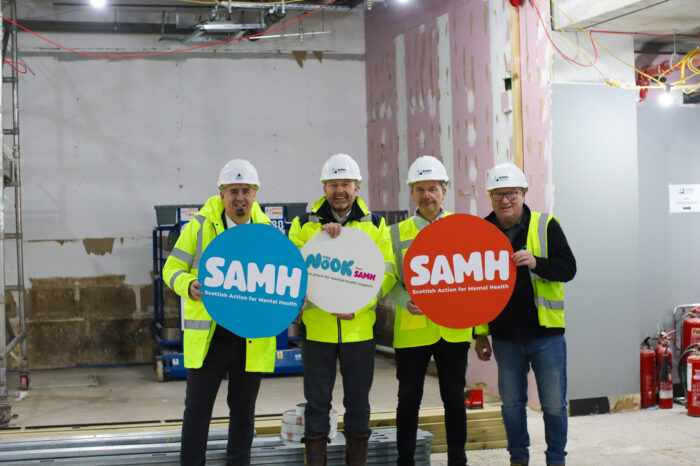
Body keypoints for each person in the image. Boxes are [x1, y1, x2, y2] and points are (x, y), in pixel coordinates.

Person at [163, 159, 277, 466]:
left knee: (243, 414)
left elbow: (282, 281)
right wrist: (188, 284)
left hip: (249, 338)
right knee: (197, 412)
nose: (240, 197)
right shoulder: (199, 226)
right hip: (210, 337)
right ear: (222, 194)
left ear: (255, 194)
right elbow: (171, 268)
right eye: (233, 191)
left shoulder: (268, 232)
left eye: (246, 191)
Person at [288, 153, 395, 466]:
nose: (340, 190)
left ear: (357, 187)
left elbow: (387, 272)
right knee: (317, 405)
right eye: (333, 184)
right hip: (317, 329)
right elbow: (292, 265)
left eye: (346, 184)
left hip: (358, 330)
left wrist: (361, 305)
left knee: (358, 404)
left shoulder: (376, 224)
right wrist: (322, 241)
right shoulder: (304, 224)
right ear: (324, 188)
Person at [473, 163, 576, 466]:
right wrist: (480, 335)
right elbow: (475, 290)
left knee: (554, 405)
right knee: (512, 406)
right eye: (498, 194)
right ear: (490, 197)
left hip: (546, 335)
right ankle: (518, 459)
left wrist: (536, 263)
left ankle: (556, 460)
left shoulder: (546, 225)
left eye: (512, 193)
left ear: (524, 193)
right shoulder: (481, 232)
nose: (505, 200)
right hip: (505, 337)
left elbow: (568, 269)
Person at [389, 155, 473, 466]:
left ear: (444, 191)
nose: (427, 195)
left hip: (453, 330)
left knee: (454, 399)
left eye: (433, 188)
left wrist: (480, 331)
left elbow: (476, 281)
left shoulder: (462, 229)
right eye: (420, 189)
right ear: (412, 192)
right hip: (413, 330)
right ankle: (406, 461)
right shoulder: (395, 233)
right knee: (408, 400)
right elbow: (389, 278)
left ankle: (458, 460)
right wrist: (403, 301)